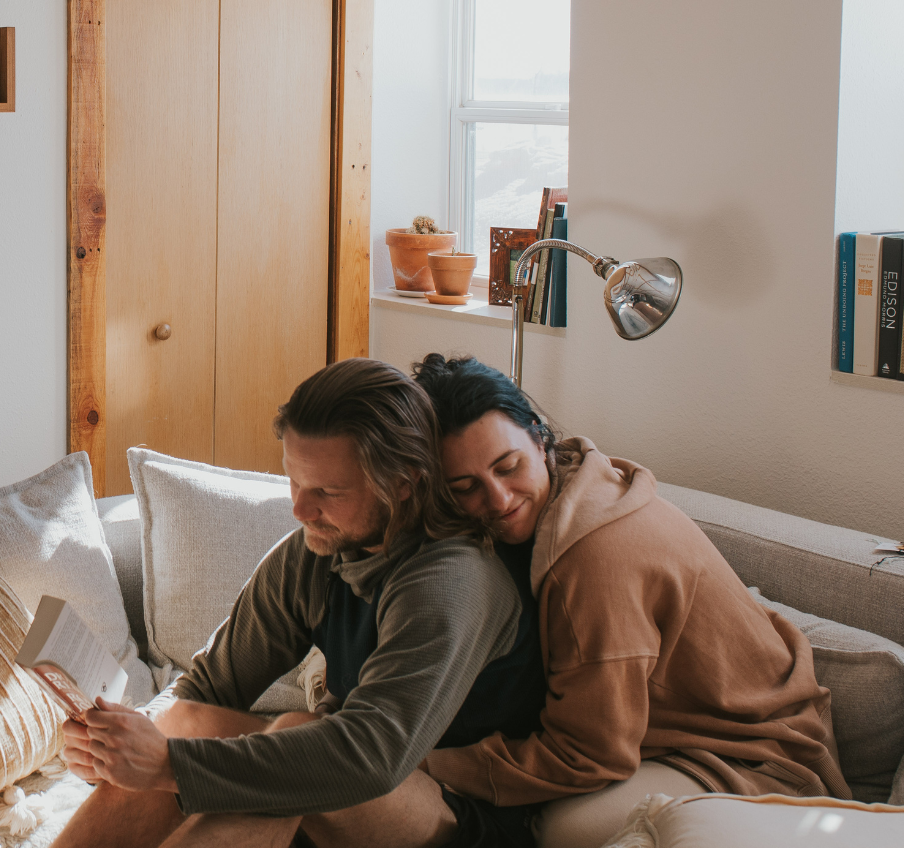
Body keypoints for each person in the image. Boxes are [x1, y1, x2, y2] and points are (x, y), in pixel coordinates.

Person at [52, 358, 549, 848]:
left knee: (296, 737)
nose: (300, 509)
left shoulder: (453, 577)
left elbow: (371, 755)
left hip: (463, 815)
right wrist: (119, 743)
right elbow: (207, 690)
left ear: (403, 484)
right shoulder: (316, 551)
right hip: (357, 790)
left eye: (328, 492)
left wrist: (166, 765)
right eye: (294, 481)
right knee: (189, 723)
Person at [410, 354, 850, 848]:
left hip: (754, 755)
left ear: (540, 437)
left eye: (508, 467)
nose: (498, 499)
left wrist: (431, 764)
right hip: (661, 733)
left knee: (563, 831)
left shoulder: (592, 558)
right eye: (465, 488)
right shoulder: (574, 484)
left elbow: (590, 755)